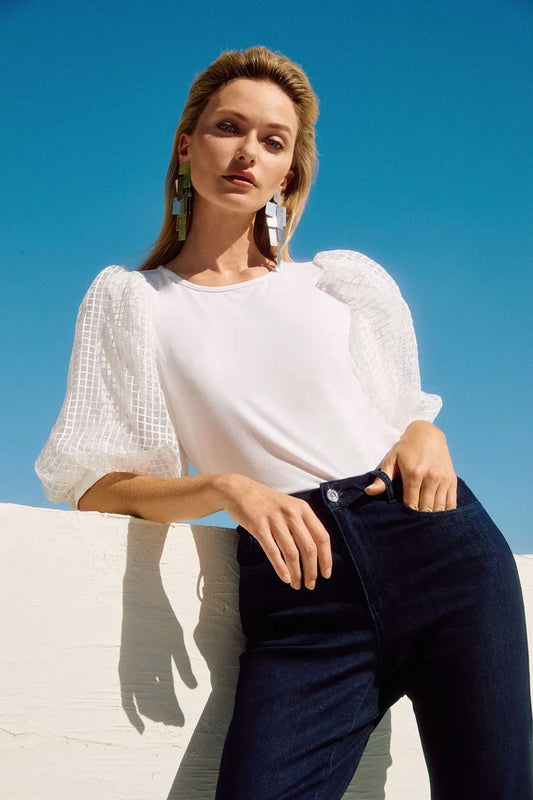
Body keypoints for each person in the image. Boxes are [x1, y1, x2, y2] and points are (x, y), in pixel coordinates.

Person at [35, 46, 532, 799]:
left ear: (289, 172)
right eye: (227, 127)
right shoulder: (132, 301)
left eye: (273, 141)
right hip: (300, 593)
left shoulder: (342, 284)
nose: (247, 153)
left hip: (439, 550)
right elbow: (93, 483)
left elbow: (402, 415)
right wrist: (227, 489)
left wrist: (425, 432)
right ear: (186, 142)